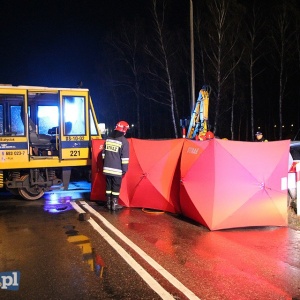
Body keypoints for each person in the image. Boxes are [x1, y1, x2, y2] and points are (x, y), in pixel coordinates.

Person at [102, 121, 130, 211]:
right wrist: (124, 169)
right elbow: (124, 158)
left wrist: (105, 163)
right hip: (117, 169)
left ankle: (108, 203)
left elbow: (103, 154)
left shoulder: (108, 139)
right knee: (116, 186)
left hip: (106, 168)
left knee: (108, 186)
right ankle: (114, 204)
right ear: (124, 130)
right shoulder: (124, 141)